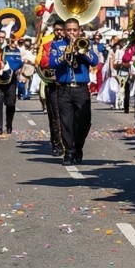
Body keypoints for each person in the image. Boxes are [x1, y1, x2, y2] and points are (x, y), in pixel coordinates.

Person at [41, 17, 100, 165]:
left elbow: (94, 61)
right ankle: (69, 152)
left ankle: (78, 147)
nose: (72, 33)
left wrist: (82, 51)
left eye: (74, 30)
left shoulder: (86, 43)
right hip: (64, 88)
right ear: (64, 31)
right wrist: (66, 54)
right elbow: (52, 63)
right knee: (66, 122)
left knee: (84, 122)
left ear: (79, 31)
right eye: (69, 30)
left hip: (81, 89)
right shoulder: (57, 45)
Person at [38, 21, 65, 156]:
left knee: (67, 116)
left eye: (61, 29)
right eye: (56, 30)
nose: (59, 32)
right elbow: (42, 61)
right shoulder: (47, 44)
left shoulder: (71, 44)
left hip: (66, 84)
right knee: (55, 116)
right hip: (53, 84)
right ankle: (57, 143)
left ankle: (67, 142)